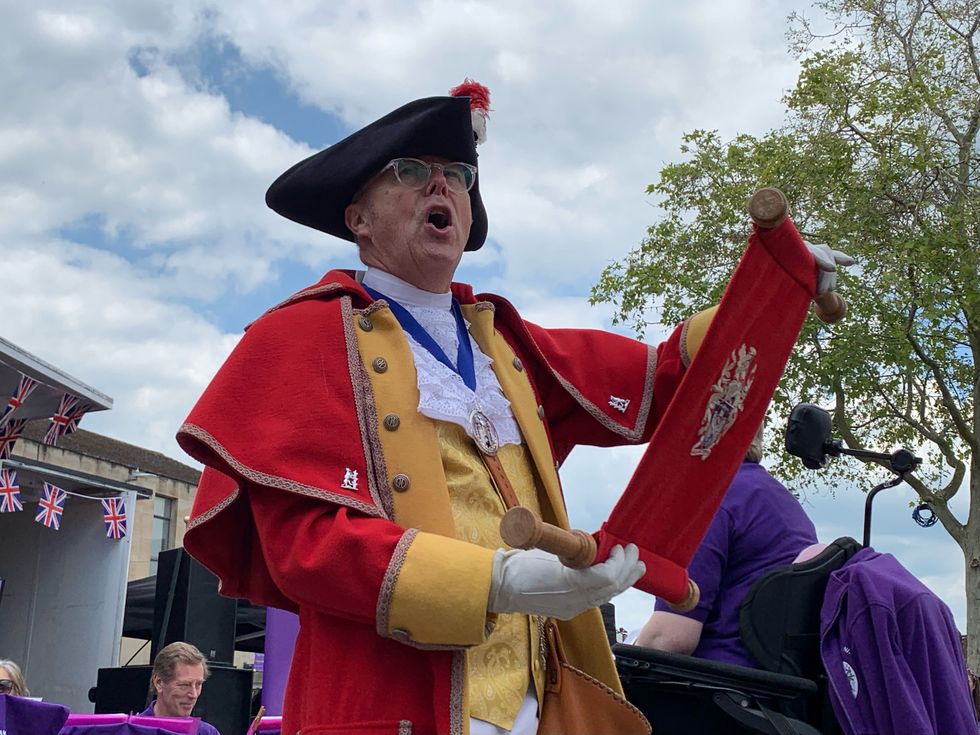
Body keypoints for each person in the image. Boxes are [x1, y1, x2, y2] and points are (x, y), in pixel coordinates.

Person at [176, 81, 851, 735]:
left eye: (459, 176)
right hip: (389, 709)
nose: (443, 186)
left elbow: (666, 380)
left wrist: (774, 286)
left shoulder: (505, 346)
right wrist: (495, 581)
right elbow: (305, 547)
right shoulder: (301, 337)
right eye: (412, 170)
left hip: (540, 709)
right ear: (357, 216)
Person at [632, 423, 818, 667]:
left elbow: (669, 639)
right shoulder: (778, 498)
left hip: (712, 686)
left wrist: (612, 667)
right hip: (771, 688)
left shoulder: (708, 498)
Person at [139, 642, 219, 735]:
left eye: (198, 684)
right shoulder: (130, 730)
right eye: (184, 685)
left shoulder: (208, 733)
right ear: (159, 683)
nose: (193, 695)